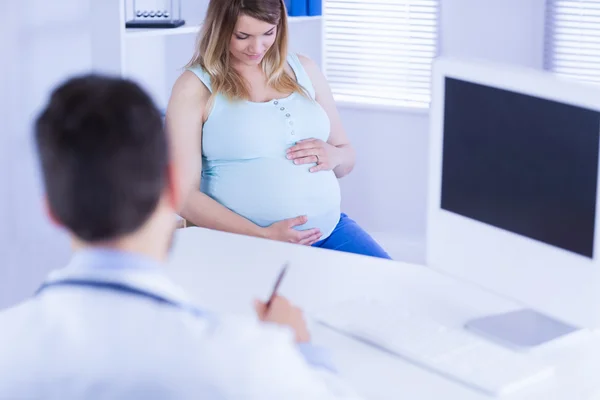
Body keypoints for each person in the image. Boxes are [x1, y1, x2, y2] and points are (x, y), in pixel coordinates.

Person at [0, 75, 363, 399]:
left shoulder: (9, 346)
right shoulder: (246, 358)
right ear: (174, 186)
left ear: (51, 210)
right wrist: (298, 348)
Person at [167, 0, 391, 259]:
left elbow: (346, 157)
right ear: (219, 28)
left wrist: (335, 156)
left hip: (329, 231)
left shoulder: (304, 69)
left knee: (395, 288)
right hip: (244, 243)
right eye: (243, 36)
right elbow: (182, 196)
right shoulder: (194, 87)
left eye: (268, 33)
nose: (257, 47)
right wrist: (261, 234)